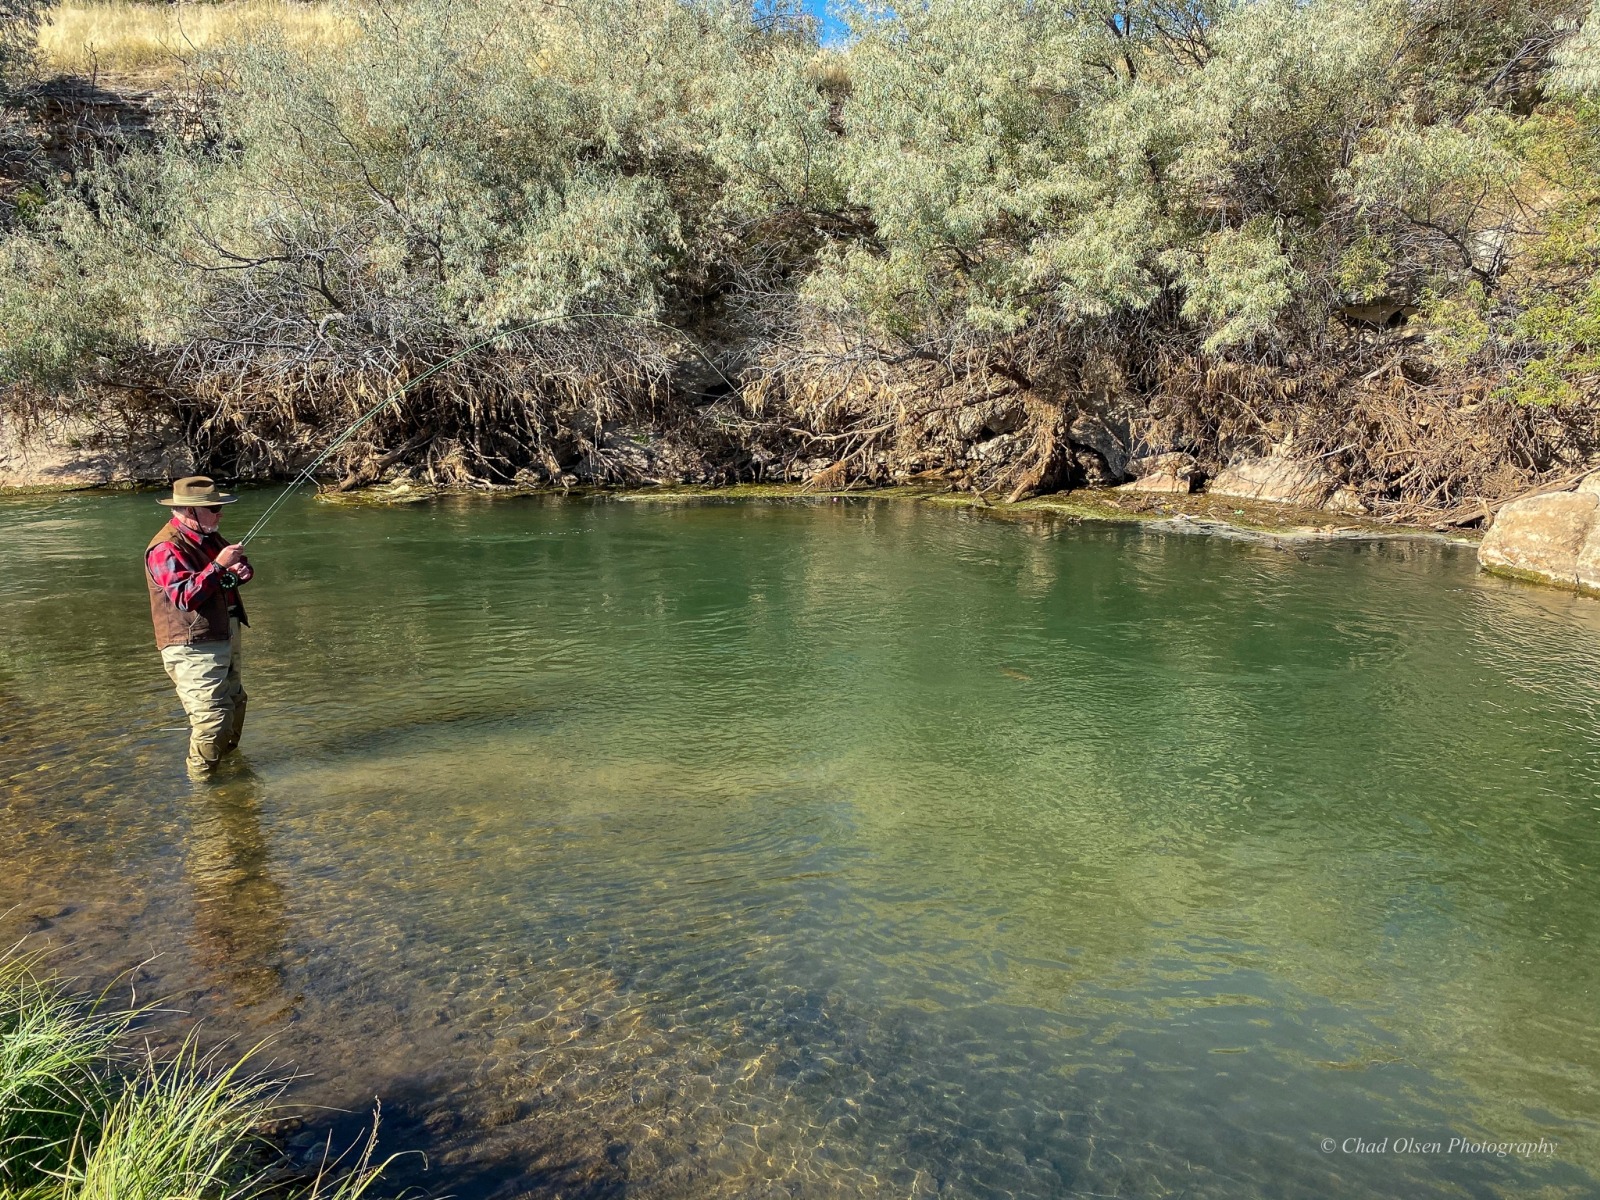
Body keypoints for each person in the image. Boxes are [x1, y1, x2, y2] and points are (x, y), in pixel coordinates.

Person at [145, 476, 255, 778]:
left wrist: (240, 571)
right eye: (215, 508)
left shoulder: (208, 537)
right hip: (191, 645)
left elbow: (225, 576)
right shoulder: (165, 548)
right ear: (189, 511)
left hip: (225, 633)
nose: (220, 514)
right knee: (212, 718)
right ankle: (203, 788)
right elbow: (184, 596)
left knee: (235, 703)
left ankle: (230, 772)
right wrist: (219, 566)